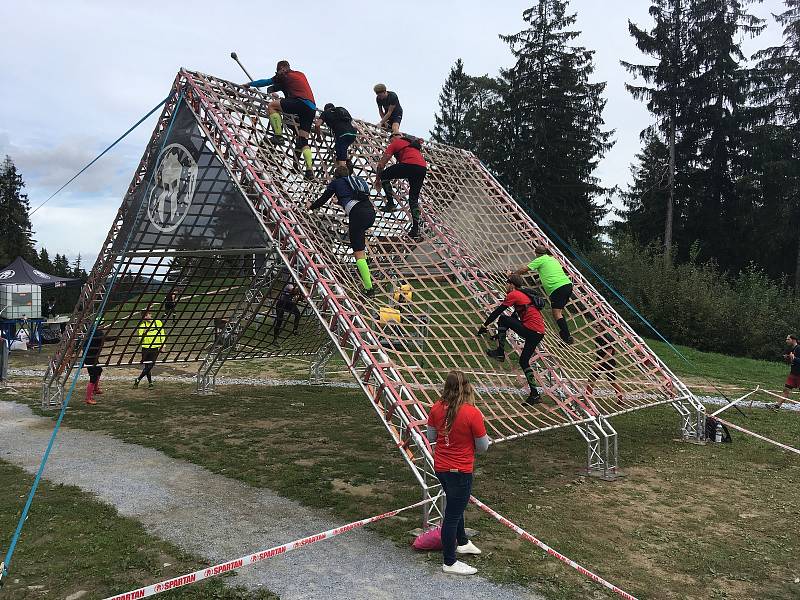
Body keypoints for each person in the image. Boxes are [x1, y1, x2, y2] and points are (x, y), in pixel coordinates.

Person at [426, 370, 489, 576]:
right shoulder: (472, 413)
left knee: (455, 505)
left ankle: (462, 542)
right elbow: (483, 447)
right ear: (467, 387)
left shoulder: (436, 407)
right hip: (461, 470)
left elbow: (431, 436)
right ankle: (450, 562)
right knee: (452, 514)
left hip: (442, 468)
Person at [477, 274, 545, 405]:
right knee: (524, 361)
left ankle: (500, 352)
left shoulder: (514, 294)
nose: (505, 286)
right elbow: (514, 318)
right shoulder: (523, 295)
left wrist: (484, 325)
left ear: (512, 284)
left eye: (506, 283)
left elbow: (498, 312)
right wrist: (499, 333)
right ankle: (535, 394)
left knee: (502, 318)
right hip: (539, 333)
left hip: (530, 330)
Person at [244, 60, 317, 180]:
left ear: (282, 68)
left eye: (278, 70)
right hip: (311, 108)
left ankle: (278, 136)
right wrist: (274, 92)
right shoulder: (300, 74)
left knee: (272, 106)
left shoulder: (284, 75)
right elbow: (277, 87)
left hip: (299, 103)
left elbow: (266, 82)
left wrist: (250, 84)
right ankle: (309, 170)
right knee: (303, 140)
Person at [310, 165, 376, 295]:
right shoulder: (355, 181)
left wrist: (311, 206)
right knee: (360, 234)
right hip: (370, 212)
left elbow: (324, 198)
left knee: (358, 252)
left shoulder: (336, 183)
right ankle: (366, 260)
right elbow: (352, 199)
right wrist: (339, 202)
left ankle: (369, 289)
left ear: (336, 176)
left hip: (357, 215)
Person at [515, 246, 574, 344]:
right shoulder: (552, 259)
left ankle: (567, 337)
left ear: (536, 253)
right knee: (559, 311)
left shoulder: (540, 260)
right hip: (567, 285)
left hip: (557, 287)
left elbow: (524, 269)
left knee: (557, 313)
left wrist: (513, 275)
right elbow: (551, 272)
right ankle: (564, 335)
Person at [374, 133, 426, 241]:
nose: (390, 142)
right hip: (422, 168)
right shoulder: (411, 143)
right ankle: (415, 229)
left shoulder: (395, 143)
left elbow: (382, 163)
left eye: (390, 140)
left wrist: (378, 179)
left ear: (393, 138)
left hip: (409, 165)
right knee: (413, 198)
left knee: (385, 175)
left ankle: (391, 204)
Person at [585, 330, 624, 405]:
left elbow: (609, 353)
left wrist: (598, 363)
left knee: (612, 381)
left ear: (602, 327)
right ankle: (587, 399)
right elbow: (600, 350)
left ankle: (620, 399)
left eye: (597, 326)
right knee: (591, 379)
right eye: (595, 327)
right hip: (600, 359)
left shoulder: (608, 337)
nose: (595, 328)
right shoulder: (597, 337)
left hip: (608, 362)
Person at [315, 103, 357, 171]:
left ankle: (343, 173)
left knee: (340, 155)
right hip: (352, 134)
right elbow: (354, 125)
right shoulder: (342, 110)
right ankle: (348, 160)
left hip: (342, 134)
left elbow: (317, 125)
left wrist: (318, 137)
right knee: (342, 146)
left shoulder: (325, 113)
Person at [83, 325, 115, 405]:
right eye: (101, 325)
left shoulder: (94, 332)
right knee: (93, 377)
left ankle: (95, 389)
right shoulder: (96, 333)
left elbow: (103, 338)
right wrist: (113, 338)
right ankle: (88, 398)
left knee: (99, 370)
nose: (103, 326)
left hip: (93, 356)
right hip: (89, 357)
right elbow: (103, 338)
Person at [134, 310, 165, 389]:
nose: (144, 318)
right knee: (147, 366)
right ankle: (150, 383)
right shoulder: (142, 326)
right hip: (145, 348)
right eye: (143, 316)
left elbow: (162, 334)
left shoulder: (158, 323)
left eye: (146, 315)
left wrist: (163, 345)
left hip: (155, 348)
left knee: (150, 365)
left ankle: (138, 379)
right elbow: (140, 340)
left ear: (150, 315)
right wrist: (144, 333)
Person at [773, 334, 800, 410]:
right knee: (786, 389)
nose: (786, 341)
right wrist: (788, 357)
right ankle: (777, 406)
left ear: (793, 340)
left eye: (788, 339)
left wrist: (794, 358)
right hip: (793, 373)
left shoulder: (799, 348)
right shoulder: (792, 349)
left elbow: (797, 360)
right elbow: (792, 360)